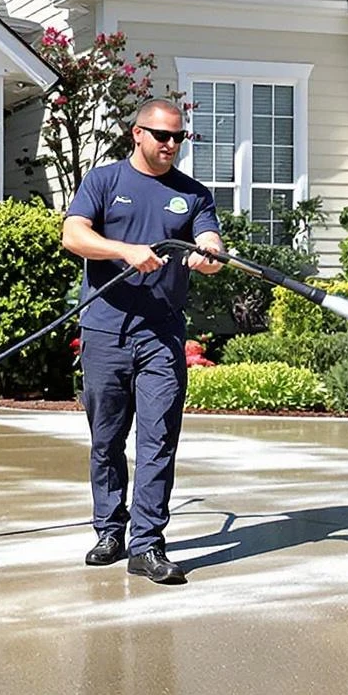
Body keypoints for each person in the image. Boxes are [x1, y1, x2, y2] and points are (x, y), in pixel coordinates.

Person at [61, 96, 224, 584]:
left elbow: (211, 243)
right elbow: (73, 234)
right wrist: (124, 251)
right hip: (106, 331)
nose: (171, 144)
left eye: (179, 137)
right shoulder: (105, 181)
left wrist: (208, 255)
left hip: (162, 335)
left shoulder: (192, 194)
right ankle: (109, 530)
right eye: (162, 135)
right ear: (138, 133)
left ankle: (147, 545)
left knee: (157, 441)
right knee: (106, 439)